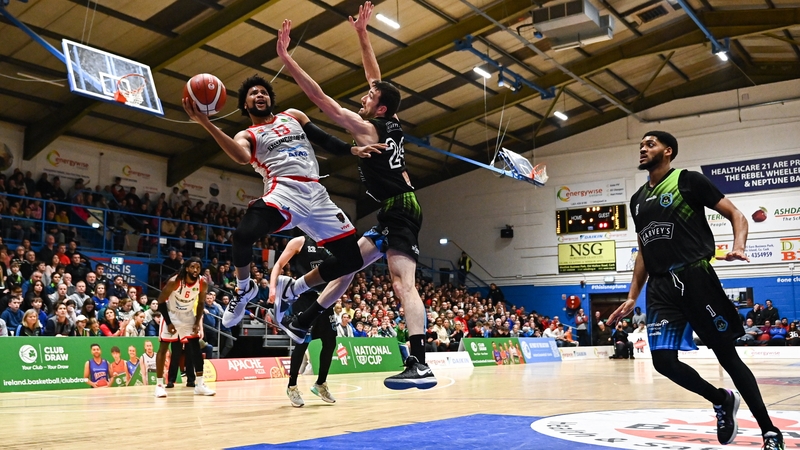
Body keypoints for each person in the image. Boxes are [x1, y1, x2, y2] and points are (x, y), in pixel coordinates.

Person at [272, 3, 436, 390]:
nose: (364, 97)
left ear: (378, 106)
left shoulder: (367, 129)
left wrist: (286, 59)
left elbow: (320, 99)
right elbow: (375, 76)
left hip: (401, 208)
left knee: (402, 283)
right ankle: (298, 299)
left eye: (368, 96)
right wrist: (362, 33)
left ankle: (420, 361)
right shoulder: (389, 119)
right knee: (349, 262)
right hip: (395, 209)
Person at [608, 131, 783, 450]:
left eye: (651, 144)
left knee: (727, 357)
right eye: (641, 145)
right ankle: (720, 400)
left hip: (696, 278)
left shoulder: (689, 181)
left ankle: (770, 431)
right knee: (663, 361)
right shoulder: (636, 200)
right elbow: (644, 251)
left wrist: (739, 245)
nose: (643, 149)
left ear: (668, 151)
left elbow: (736, 214)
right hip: (660, 287)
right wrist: (633, 294)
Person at [183, 70, 379, 333]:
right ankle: (244, 289)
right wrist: (207, 123)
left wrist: (352, 149)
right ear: (245, 104)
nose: (260, 95)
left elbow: (323, 139)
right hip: (284, 191)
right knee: (242, 235)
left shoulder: (293, 115)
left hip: (317, 194)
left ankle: (294, 287)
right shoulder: (248, 134)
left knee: (352, 261)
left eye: (263, 91)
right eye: (254, 93)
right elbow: (241, 157)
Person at [272, 235, 338, 407]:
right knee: (302, 343)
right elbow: (278, 264)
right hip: (304, 298)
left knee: (330, 342)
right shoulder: (300, 242)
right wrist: (273, 288)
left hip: (326, 298)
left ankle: (320, 384)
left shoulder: (331, 243)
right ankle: (292, 386)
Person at [154, 257, 214, 398]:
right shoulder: (175, 281)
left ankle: (199, 384)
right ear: (187, 268)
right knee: (163, 348)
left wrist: (196, 322)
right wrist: (168, 323)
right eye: (192, 267)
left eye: (198, 268)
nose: (195, 270)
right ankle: (159, 385)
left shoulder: (202, 282)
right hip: (171, 313)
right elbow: (160, 301)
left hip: (187, 315)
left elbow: (200, 304)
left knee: (195, 347)